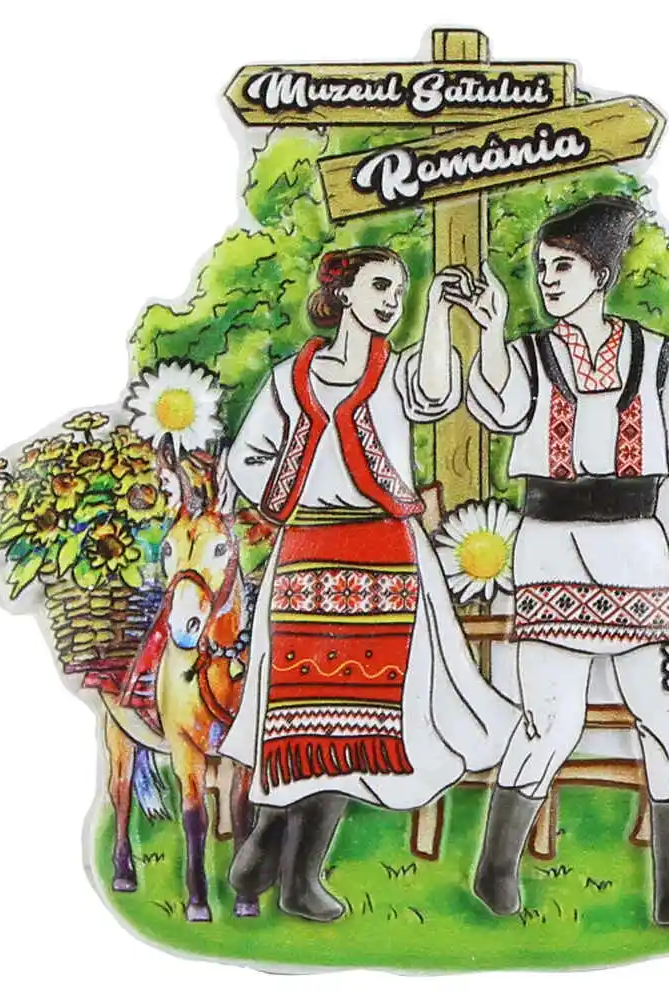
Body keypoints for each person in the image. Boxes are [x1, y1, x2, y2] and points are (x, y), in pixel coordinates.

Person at [459, 197, 669, 925]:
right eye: (542, 268)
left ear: (601, 274)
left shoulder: (656, 359)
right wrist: (490, 331)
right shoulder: (529, 355)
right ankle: (495, 871)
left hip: (636, 555)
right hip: (550, 549)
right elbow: (499, 409)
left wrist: (644, 534)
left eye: (564, 266)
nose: (548, 280)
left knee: (666, 718)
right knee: (550, 724)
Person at [221, 246, 518, 921]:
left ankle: (300, 879)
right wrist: (292, 493)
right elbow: (247, 458)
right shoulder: (289, 379)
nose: (390, 300)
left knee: (360, 719)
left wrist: (438, 312)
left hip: (386, 558)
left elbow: (435, 394)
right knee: (297, 713)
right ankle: (267, 832)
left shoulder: (396, 372)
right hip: (307, 558)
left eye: (399, 291)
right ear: (344, 293)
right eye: (380, 286)